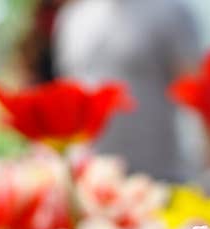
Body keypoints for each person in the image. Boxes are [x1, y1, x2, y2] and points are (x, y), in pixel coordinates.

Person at [53, 0, 201, 181]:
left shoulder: (171, 11)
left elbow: (197, 95)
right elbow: (66, 99)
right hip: (91, 180)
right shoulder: (72, 18)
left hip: (161, 178)